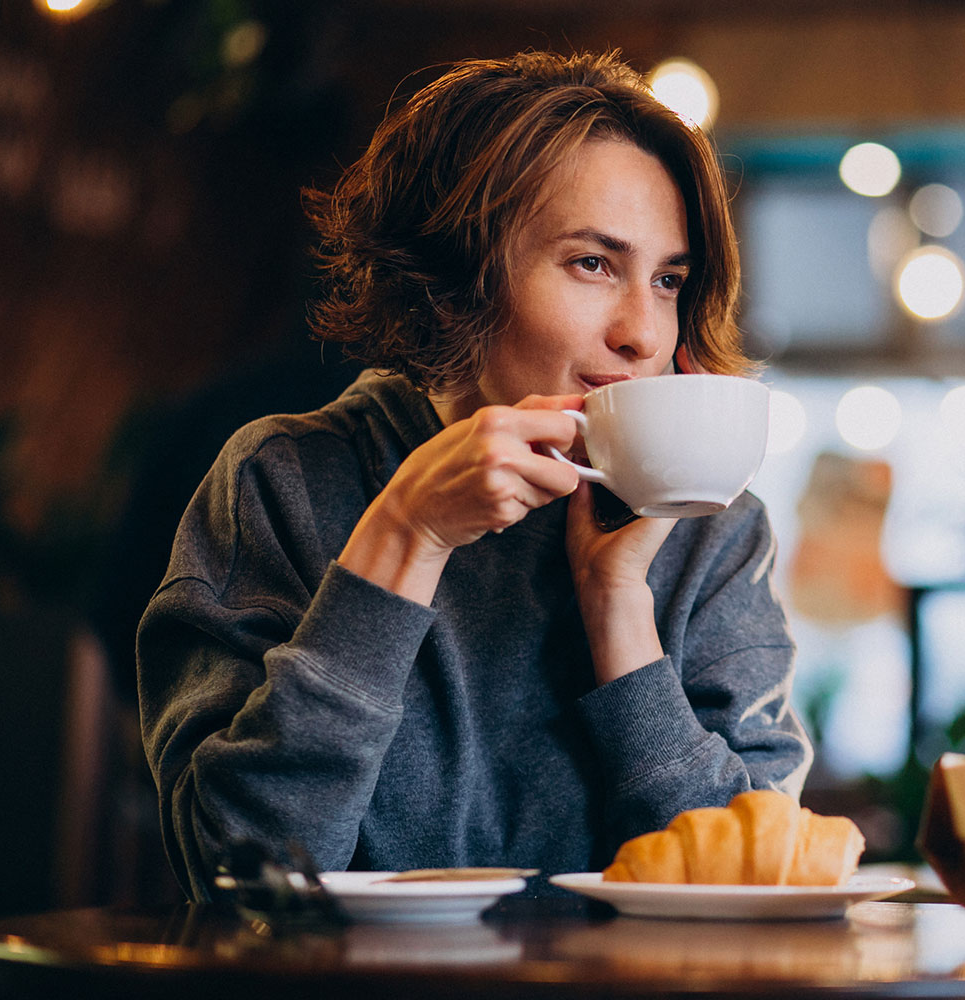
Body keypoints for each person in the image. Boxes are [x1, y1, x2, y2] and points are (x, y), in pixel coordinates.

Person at [137, 50, 813, 899]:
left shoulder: (709, 529)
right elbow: (243, 874)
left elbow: (754, 884)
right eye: (593, 264)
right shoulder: (289, 480)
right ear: (453, 279)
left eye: (669, 279)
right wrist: (402, 539)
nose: (644, 332)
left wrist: (621, 618)